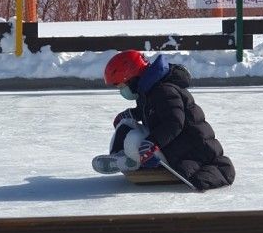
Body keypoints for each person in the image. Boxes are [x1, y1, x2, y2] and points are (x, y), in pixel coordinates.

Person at [93, 50, 235, 192]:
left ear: (131, 77)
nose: (122, 90)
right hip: (174, 142)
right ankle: (121, 158)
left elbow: (174, 123)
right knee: (125, 125)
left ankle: (133, 160)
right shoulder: (149, 90)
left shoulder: (164, 91)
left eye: (121, 86)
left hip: (191, 151)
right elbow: (154, 112)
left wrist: (152, 143)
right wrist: (133, 114)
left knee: (134, 139)